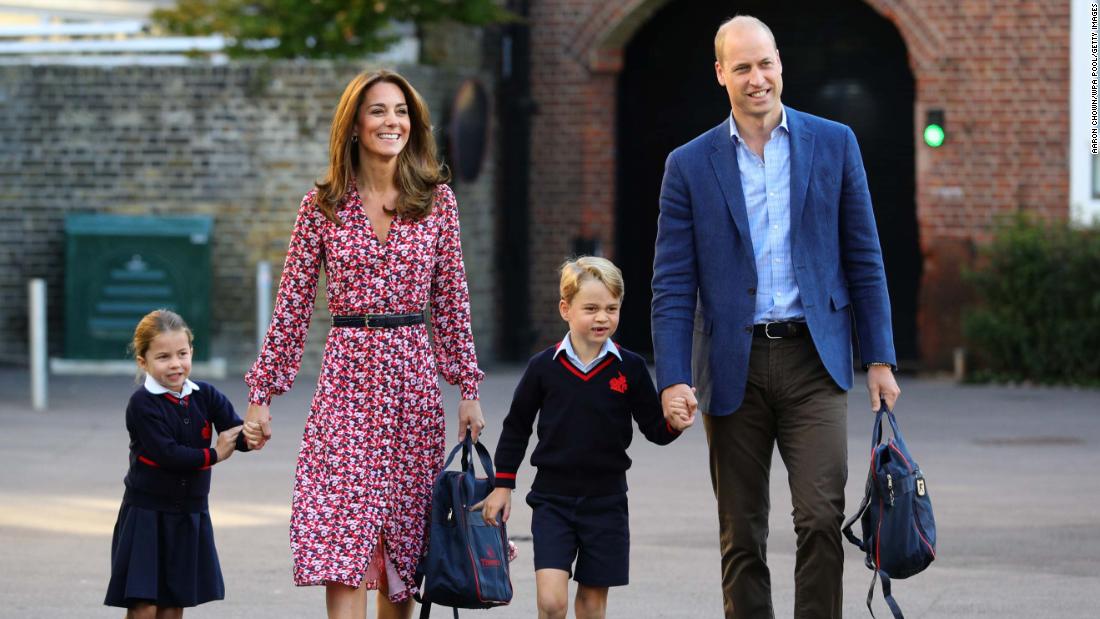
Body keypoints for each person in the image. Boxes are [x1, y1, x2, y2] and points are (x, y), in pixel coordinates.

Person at [651, 15, 902, 619]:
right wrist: (673, 376)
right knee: (742, 534)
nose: (757, 77)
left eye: (765, 63)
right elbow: (672, 283)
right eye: (742, 67)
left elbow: (863, 255)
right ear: (721, 74)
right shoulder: (688, 165)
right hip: (731, 364)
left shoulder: (834, 143)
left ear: (780, 63)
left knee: (819, 518)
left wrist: (880, 357)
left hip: (814, 358)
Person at [241, 69, 485, 619]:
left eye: (400, 111)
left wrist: (467, 388)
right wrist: (263, 392)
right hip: (346, 381)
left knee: (402, 547)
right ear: (354, 124)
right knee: (341, 537)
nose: (391, 121)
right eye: (377, 111)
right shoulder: (322, 205)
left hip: (411, 383)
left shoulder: (437, 204)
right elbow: (293, 307)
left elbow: (452, 301)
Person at [477, 256, 693, 619]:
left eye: (612, 308)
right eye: (591, 308)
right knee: (551, 602)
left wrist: (674, 422)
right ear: (566, 309)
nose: (602, 317)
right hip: (552, 501)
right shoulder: (543, 367)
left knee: (592, 605)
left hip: (606, 503)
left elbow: (654, 429)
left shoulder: (632, 368)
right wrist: (503, 485)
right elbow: (517, 427)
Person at [104, 309, 249, 617]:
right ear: (143, 362)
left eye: (182, 353)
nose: (175, 364)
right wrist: (214, 454)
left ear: (191, 352)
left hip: (189, 512)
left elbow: (234, 430)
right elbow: (167, 454)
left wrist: (252, 435)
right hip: (146, 512)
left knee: (174, 601)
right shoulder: (142, 404)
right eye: (163, 357)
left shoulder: (205, 395)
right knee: (144, 603)